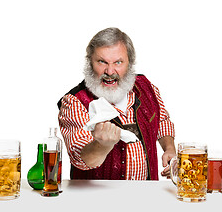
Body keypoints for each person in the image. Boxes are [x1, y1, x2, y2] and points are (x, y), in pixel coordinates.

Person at [57, 27, 176, 180]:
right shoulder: (74, 102)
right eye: (102, 62)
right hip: (96, 200)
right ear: (90, 63)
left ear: (130, 63)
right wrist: (102, 145)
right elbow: (79, 158)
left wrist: (169, 149)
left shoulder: (147, 87)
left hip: (147, 195)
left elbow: (162, 121)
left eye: (118, 62)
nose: (110, 71)